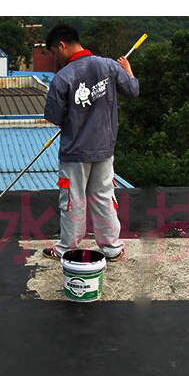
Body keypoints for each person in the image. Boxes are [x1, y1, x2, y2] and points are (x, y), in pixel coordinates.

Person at [42, 24, 140, 262]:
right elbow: (132, 89)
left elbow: (54, 117)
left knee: (72, 200)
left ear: (62, 45)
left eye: (54, 53)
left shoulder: (63, 77)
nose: (55, 58)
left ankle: (67, 248)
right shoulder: (109, 66)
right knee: (104, 196)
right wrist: (128, 70)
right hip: (105, 148)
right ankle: (112, 247)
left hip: (75, 152)